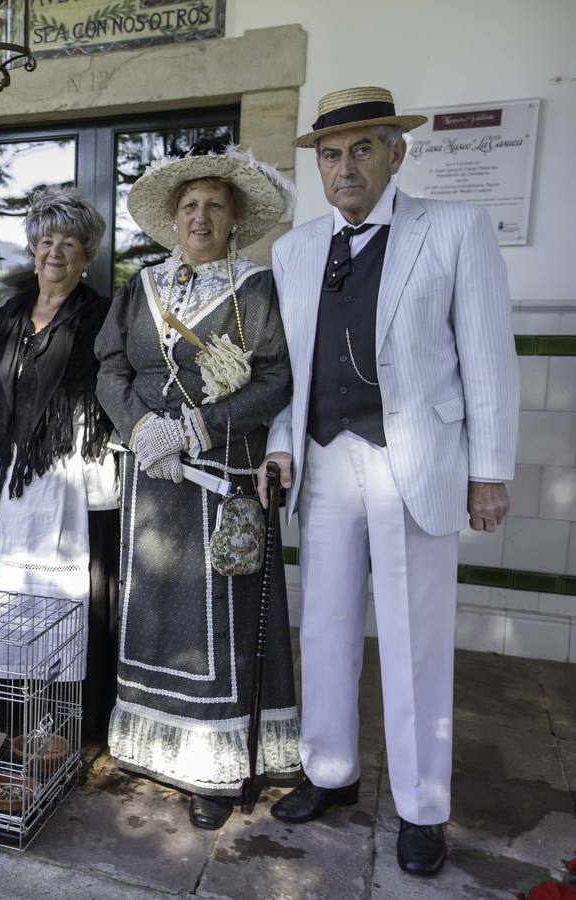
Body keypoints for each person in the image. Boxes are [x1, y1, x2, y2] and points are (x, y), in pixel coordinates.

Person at [259, 87, 518, 877]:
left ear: (396, 154)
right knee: (328, 624)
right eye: (331, 154)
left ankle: (422, 806)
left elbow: (488, 356)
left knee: (415, 640)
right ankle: (329, 772)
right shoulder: (294, 249)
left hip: (419, 461)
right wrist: (279, 447)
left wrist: (490, 471)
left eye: (363, 149)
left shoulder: (453, 228)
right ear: (318, 166)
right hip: (326, 458)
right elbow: (287, 372)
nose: (346, 167)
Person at [95, 139, 299, 829]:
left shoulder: (258, 289)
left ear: (235, 218)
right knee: (152, 609)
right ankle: (148, 746)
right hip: (151, 478)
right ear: (173, 219)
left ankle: (215, 767)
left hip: (221, 474)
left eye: (214, 205)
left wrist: (195, 429)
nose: (200, 217)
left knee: (219, 619)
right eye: (189, 206)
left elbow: (275, 378)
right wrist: (141, 429)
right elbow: (109, 366)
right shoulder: (140, 286)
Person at [0, 187, 119, 739]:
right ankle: (4, 717)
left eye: (70, 243)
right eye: (46, 240)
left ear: (87, 256)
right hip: (5, 477)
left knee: (59, 598)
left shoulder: (101, 314)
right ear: (33, 249)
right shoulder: (9, 313)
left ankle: (61, 727)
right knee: (4, 590)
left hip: (67, 476)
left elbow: (111, 388)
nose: (56, 252)